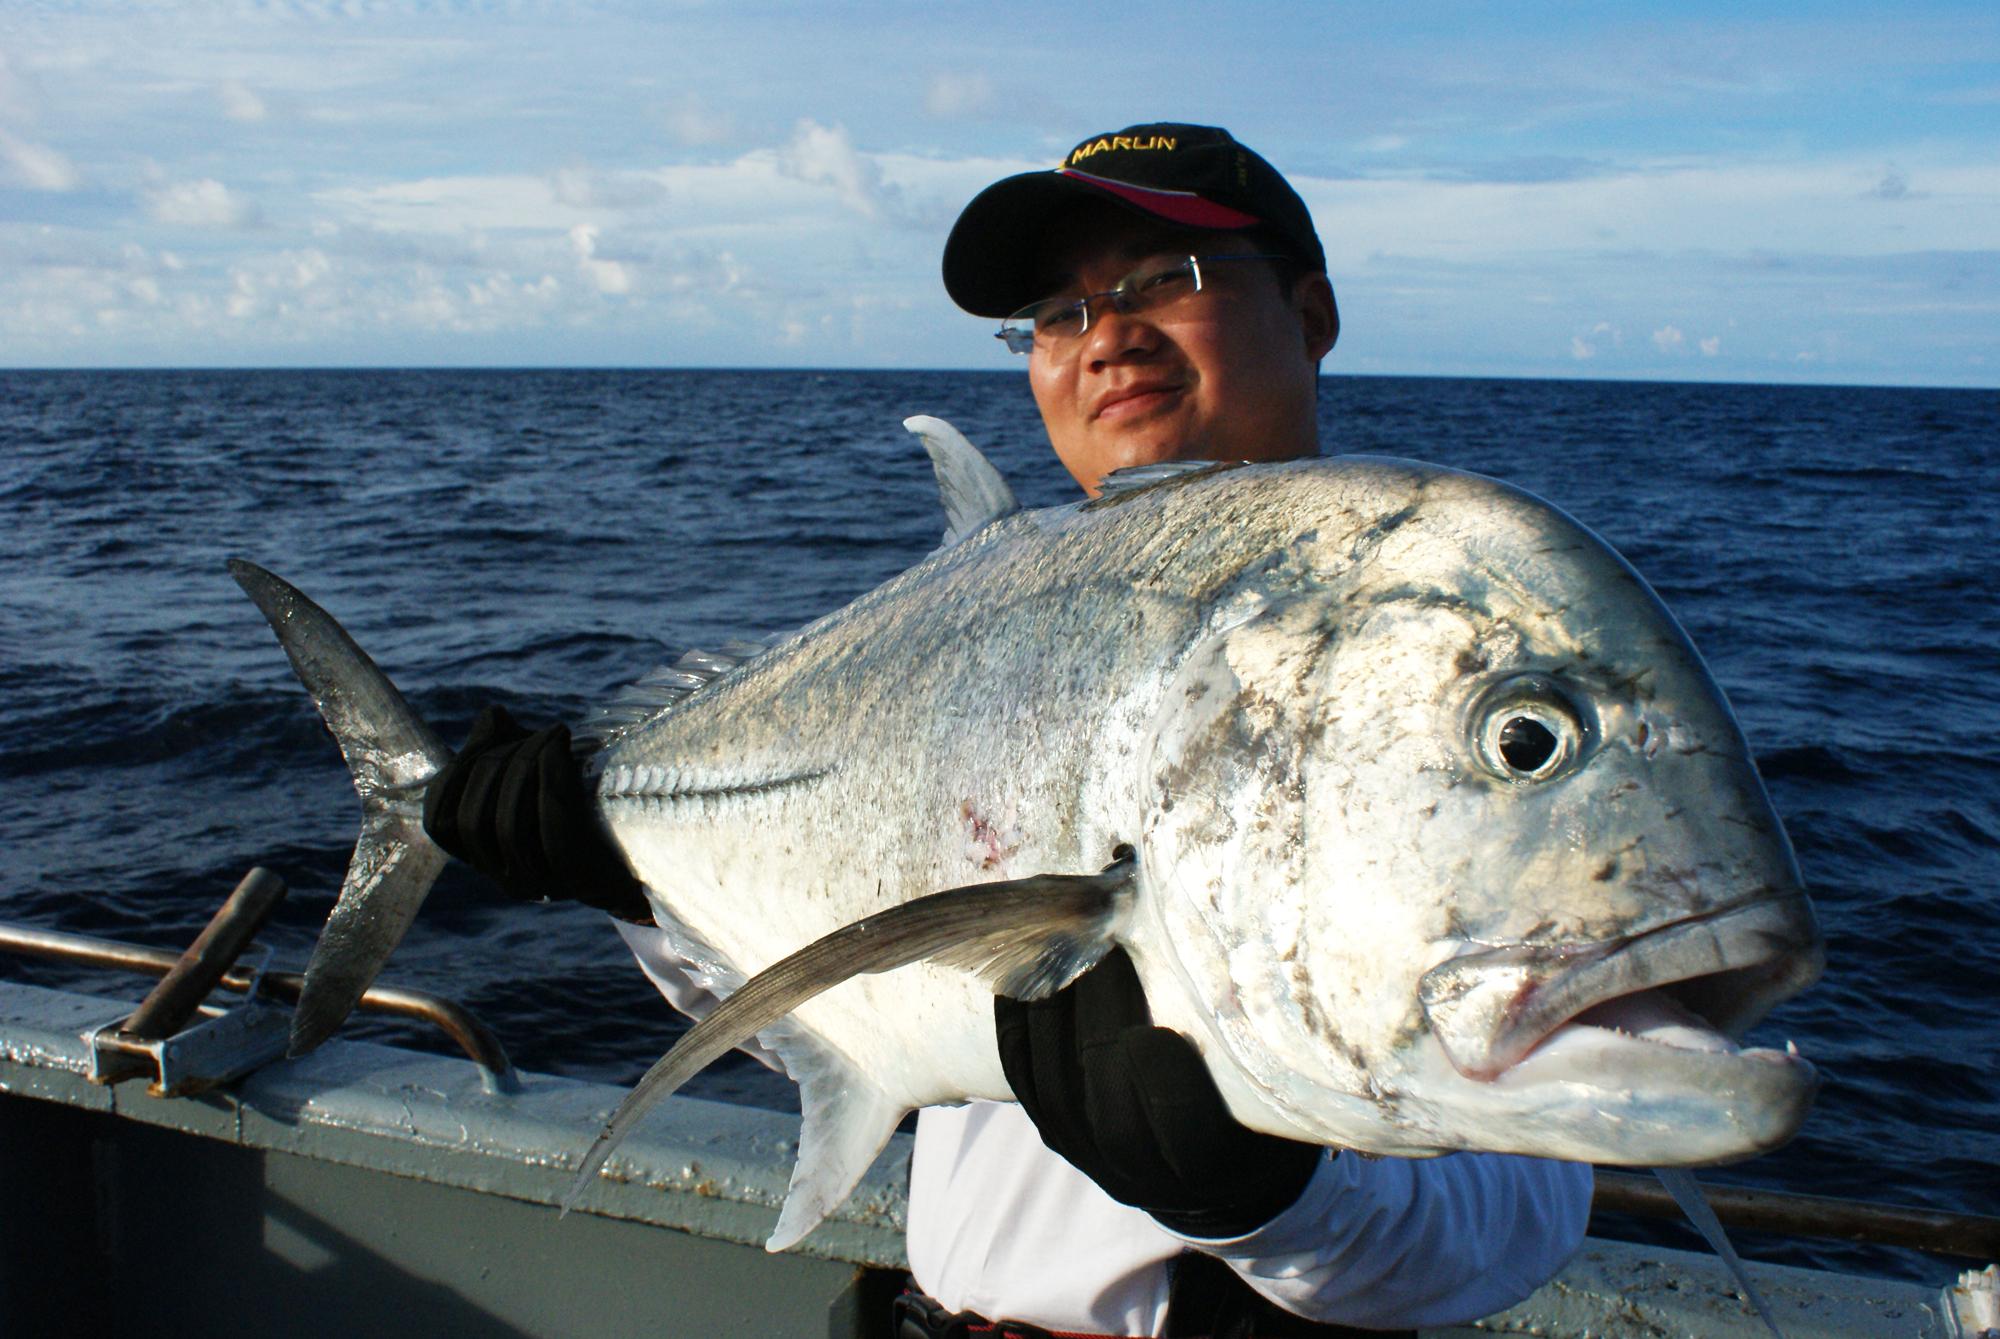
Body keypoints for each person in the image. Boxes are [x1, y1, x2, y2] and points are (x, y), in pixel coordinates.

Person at [424, 123, 1594, 1338]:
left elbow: (1515, 1210)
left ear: (1309, 314)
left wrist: (1263, 1191)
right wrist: (624, 880)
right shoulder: (957, 656)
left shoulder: (1434, 662)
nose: (1107, 335)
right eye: (1056, 310)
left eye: (1162, 277)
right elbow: (855, 1019)